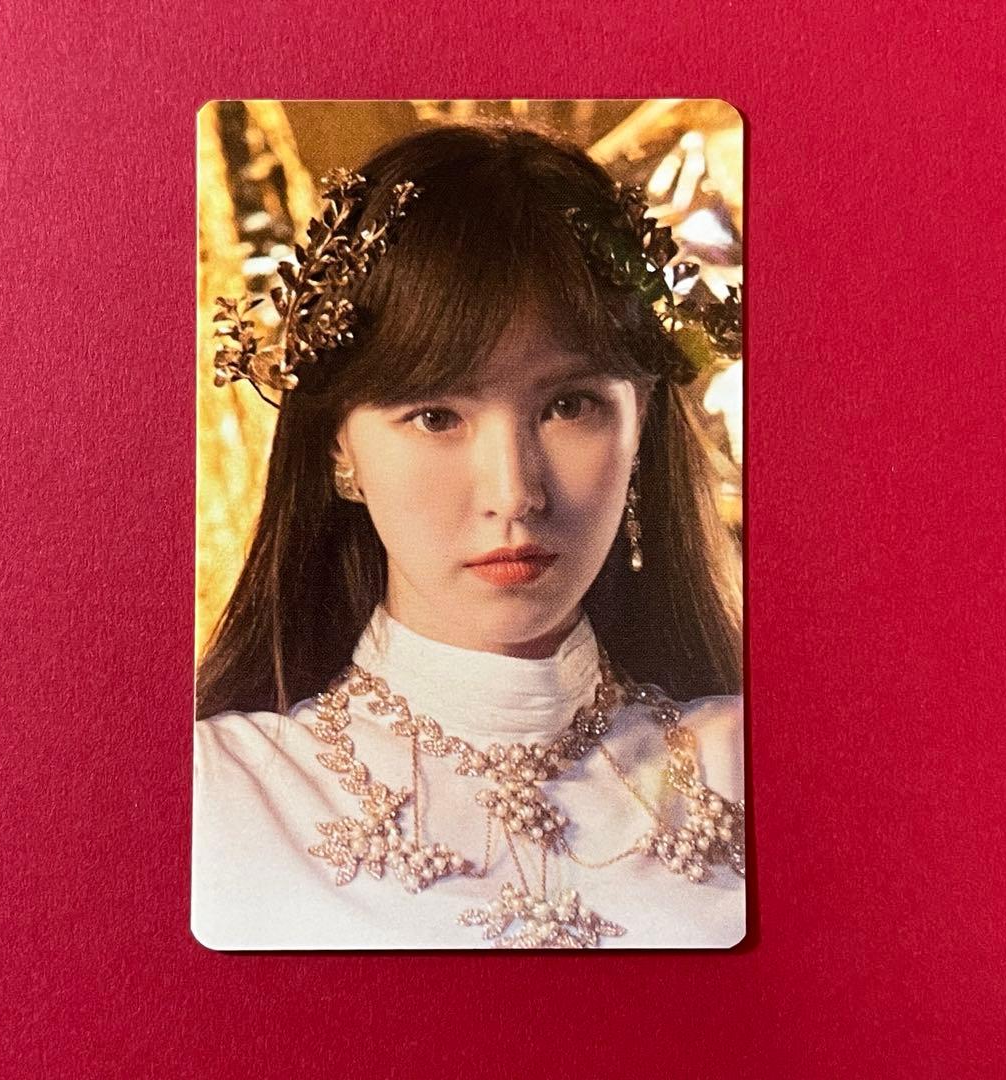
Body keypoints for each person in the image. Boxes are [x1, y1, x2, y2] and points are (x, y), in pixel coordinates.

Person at [192, 120, 745, 950]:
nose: (514, 493)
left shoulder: (755, 768)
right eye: (436, 416)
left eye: (568, 406)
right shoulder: (221, 795)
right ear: (339, 446)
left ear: (641, 423)